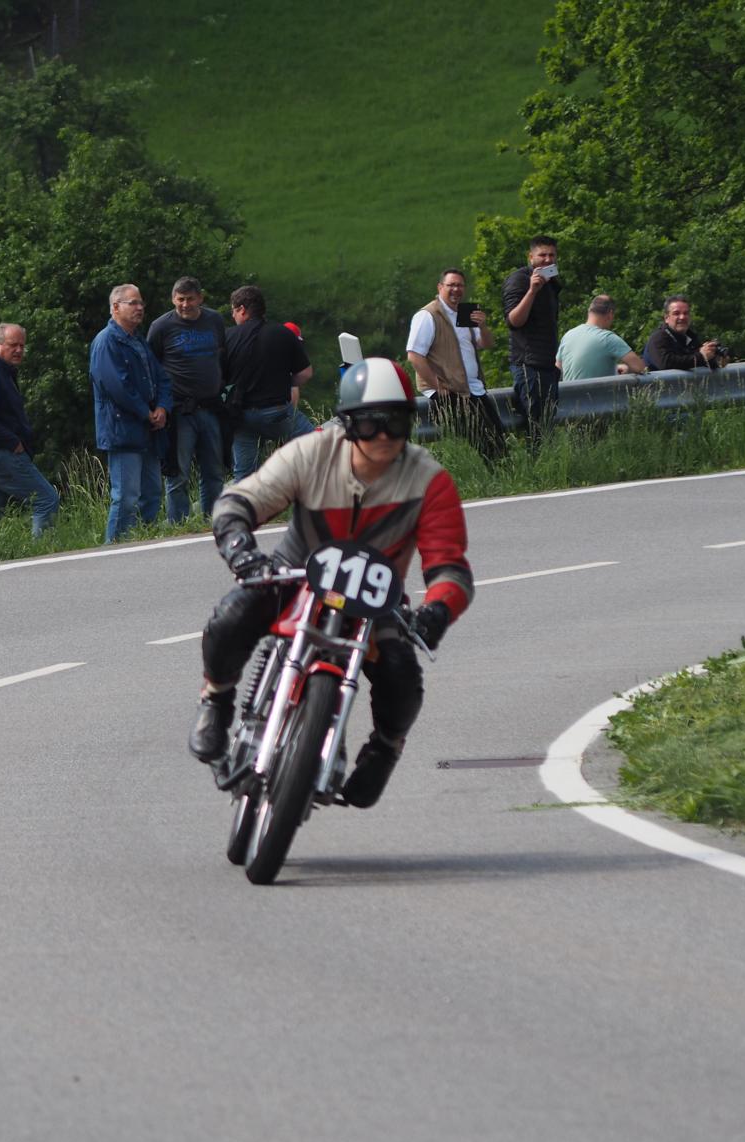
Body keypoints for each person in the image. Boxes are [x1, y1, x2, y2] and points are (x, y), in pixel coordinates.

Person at [186, 357, 474, 809]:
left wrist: (438, 609)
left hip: (374, 597)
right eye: (370, 423)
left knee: (402, 673)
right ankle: (216, 699)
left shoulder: (430, 481)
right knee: (231, 616)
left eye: (396, 422)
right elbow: (239, 501)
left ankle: (385, 749)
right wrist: (241, 550)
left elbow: (450, 567)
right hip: (295, 573)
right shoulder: (312, 452)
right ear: (348, 424)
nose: (384, 436)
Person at [90, 284, 171, 542]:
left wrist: (163, 407)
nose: (140, 308)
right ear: (115, 307)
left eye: (141, 303)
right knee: (126, 496)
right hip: (123, 430)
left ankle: (144, 545)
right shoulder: (106, 342)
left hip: (148, 429)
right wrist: (147, 412)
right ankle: (114, 549)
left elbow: (161, 377)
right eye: (133, 303)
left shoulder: (138, 340)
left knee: (152, 492)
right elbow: (117, 387)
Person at [0, 323, 60, 537]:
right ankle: (43, 553)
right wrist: (13, 442)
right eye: (12, 345)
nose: (18, 350)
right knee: (46, 500)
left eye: (22, 346)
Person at [147, 277, 227, 523]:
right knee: (178, 473)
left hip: (211, 406)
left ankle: (213, 519)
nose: (185, 304)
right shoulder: (161, 327)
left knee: (214, 470)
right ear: (173, 299)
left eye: (190, 299)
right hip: (179, 409)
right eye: (180, 299)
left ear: (200, 298)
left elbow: (221, 354)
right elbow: (151, 366)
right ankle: (178, 524)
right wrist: (159, 404)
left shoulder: (214, 320)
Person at [406, 268, 503, 464]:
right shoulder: (428, 315)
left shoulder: (465, 312)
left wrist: (483, 326)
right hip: (451, 392)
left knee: (498, 440)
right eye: (451, 285)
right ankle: (493, 477)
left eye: (460, 285)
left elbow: (486, 344)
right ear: (440, 287)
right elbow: (414, 356)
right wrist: (437, 386)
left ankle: (504, 476)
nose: (456, 290)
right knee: (485, 444)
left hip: (473, 389)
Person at [222, 285, 314, 481]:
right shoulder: (283, 333)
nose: (233, 316)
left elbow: (219, 379)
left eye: (233, 311)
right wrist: (284, 382)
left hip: (241, 416)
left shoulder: (227, 337)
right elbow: (305, 373)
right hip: (277, 413)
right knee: (317, 447)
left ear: (242, 310)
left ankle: (243, 500)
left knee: (244, 476)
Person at [502, 236, 563, 447]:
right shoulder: (519, 279)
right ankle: (537, 464)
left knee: (547, 426)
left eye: (551, 255)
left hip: (547, 365)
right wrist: (532, 291)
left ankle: (547, 462)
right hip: (528, 365)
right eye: (542, 255)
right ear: (531, 257)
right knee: (536, 428)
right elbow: (514, 321)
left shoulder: (551, 282)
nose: (547, 260)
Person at [557, 295, 649, 381]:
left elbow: (558, 368)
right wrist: (628, 369)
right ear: (610, 314)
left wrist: (614, 368)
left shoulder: (568, 335)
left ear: (589, 311)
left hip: (568, 393)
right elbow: (641, 368)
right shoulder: (607, 338)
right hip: (597, 393)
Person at [644, 295, 727, 371]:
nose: (682, 317)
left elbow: (697, 362)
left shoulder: (690, 338)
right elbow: (666, 363)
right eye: (676, 313)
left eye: (686, 313)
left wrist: (713, 357)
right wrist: (701, 356)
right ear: (666, 318)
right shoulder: (658, 338)